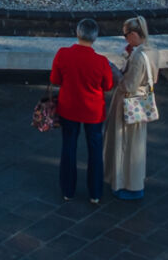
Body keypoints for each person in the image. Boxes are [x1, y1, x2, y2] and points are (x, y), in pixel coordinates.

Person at [49, 18, 113, 204]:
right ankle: (95, 192)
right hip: (93, 111)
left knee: (68, 146)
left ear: (77, 32)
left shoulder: (63, 54)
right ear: (95, 37)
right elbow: (107, 85)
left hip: (69, 108)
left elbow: (55, 78)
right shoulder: (101, 61)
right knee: (95, 150)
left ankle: (68, 190)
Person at [104, 16, 159, 200]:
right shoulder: (152, 50)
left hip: (128, 102)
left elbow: (128, 86)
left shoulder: (137, 57)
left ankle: (125, 184)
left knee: (124, 145)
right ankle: (134, 182)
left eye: (126, 35)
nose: (125, 39)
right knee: (136, 144)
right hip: (142, 101)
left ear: (134, 34)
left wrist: (115, 71)